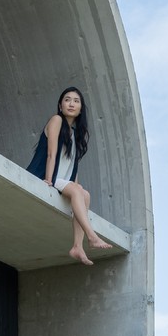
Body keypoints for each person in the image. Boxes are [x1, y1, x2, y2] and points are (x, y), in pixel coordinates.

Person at [26, 86, 113, 265]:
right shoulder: (56, 120)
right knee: (76, 190)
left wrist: (77, 187)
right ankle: (92, 236)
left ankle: (77, 246)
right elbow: (51, 153)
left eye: (76, 100)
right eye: (67, 100)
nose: (71, 103)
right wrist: (48, 180)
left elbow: (73, 165)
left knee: (85, 194)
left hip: (62, 180)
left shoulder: (76, 133)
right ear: (60, 105)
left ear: (81, 108)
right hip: (45, 174)